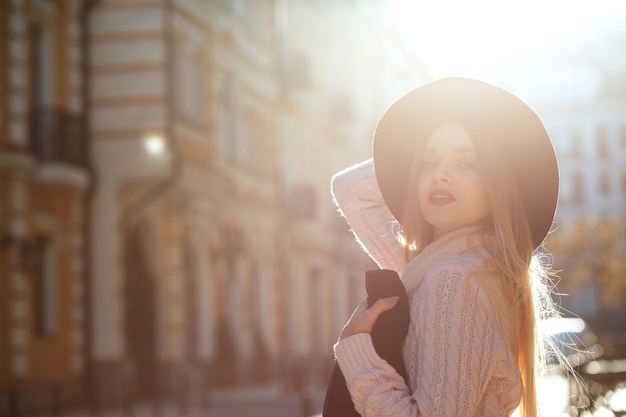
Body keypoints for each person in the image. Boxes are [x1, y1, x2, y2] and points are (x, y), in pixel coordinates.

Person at [330, 77, 560, 417]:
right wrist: (411, 152)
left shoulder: (452, 280)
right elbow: (351, 190)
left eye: (465, 163)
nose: (440, 175)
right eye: (427, 162)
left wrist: (355, 349)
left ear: (497, 183)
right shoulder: (457, 268)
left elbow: (351, 189)